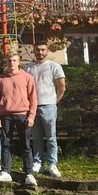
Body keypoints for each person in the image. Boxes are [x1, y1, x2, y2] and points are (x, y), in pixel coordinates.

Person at [0, 53, 38, 186]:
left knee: (26, 145)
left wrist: (31, 115)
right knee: (6, 143)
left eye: (14, 60)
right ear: (6, 62)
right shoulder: (0, 79)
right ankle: (6, 171)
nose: (11, 63)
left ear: (18, 62)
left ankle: (29, 173)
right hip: (5, 115)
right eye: (9, 60)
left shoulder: (27, 77)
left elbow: (33, 98)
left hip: (23, 114)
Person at [26, 42, 67, 178]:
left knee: (50, 137)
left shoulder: (54, 66)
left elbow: (61, 87)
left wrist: (54, 102)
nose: (40, 52)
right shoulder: (28, 68)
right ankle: (38, 163)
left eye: (43, 49)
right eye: (37, 50)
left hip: (48, 105)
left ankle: (52, 164)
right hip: (33, 107)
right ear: (34, 51)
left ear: (47, 51)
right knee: (36, 137)